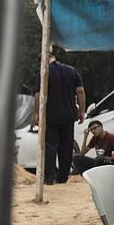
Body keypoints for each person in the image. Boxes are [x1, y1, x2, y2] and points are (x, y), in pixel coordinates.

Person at [32, 47, 85, 185]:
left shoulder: (44, 72)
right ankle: (63, 177)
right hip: (69, 116)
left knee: (50, 146)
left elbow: (38, 94)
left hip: (50, 116)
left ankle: (49, 178)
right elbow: (80, 91)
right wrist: (81, 111)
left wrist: (36, 113)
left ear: (42, 61)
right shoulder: (71, 70)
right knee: (66, 147)